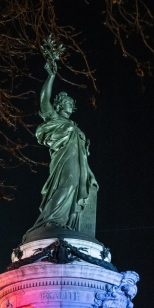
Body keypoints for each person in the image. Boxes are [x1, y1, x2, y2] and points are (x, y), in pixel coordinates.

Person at [26, 60, 98, 234]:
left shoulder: (74, 125)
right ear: (59, 104)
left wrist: (87, 164)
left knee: (74, 188)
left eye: (71, 103)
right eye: (67, 102)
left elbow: (82, 152)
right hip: (63, 161)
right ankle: (52, 221)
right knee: (65, 186)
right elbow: (44, 99)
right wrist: (51, 76)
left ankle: (68, 225)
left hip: (79, 164)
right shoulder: (54, 119)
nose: (70, 105)